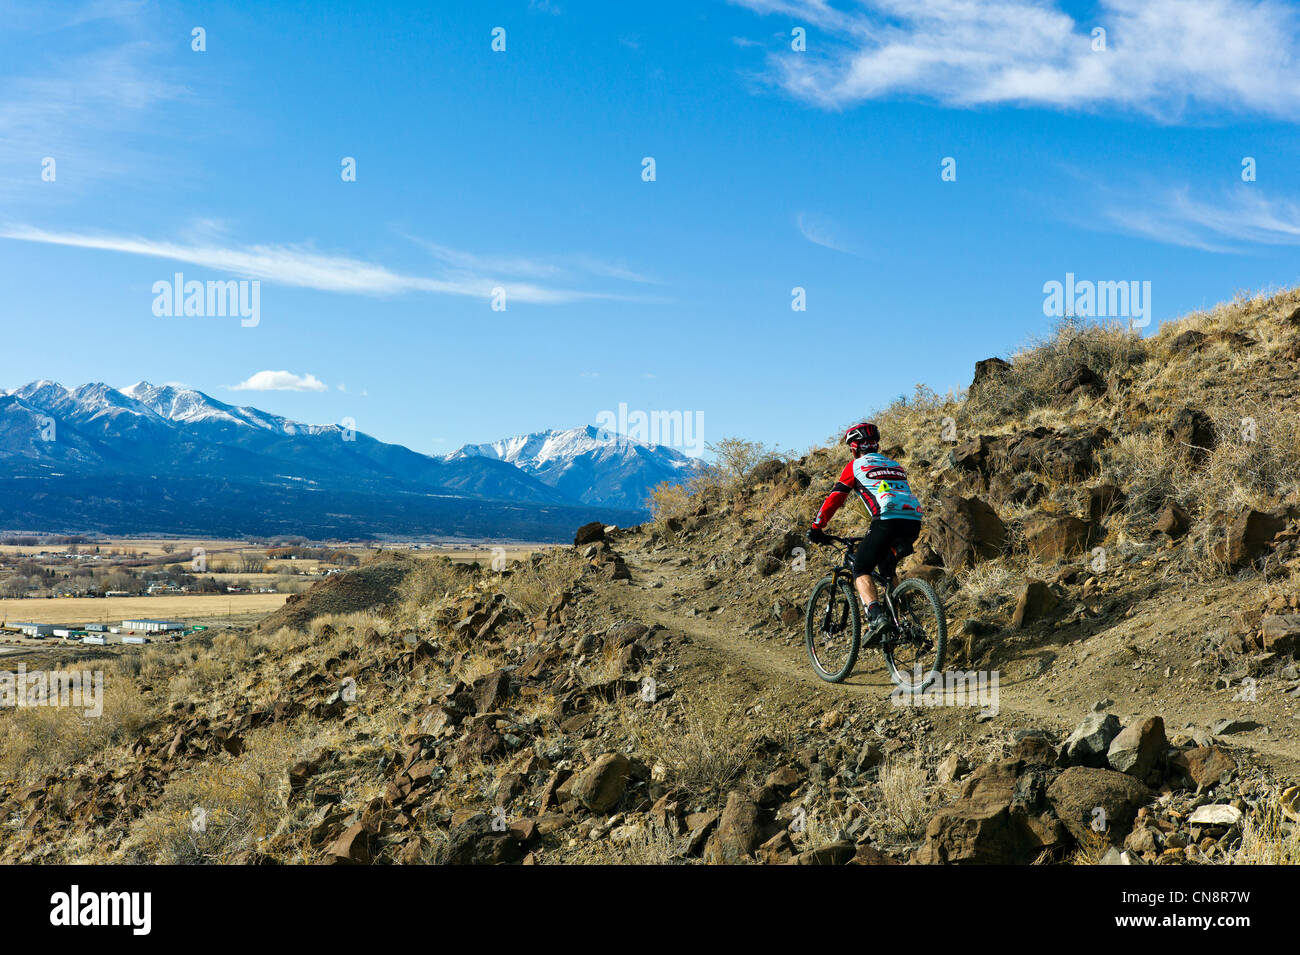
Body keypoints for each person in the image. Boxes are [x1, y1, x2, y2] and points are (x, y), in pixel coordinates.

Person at [808, 422, 923, 640]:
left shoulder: (855, 466)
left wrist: (817, 526)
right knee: (887, 569)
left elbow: (835, 499)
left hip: (886, 521)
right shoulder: (895, 465)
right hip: (913, 522)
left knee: (861, 567)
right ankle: (902, 623)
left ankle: (877, 618)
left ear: (854, 448)